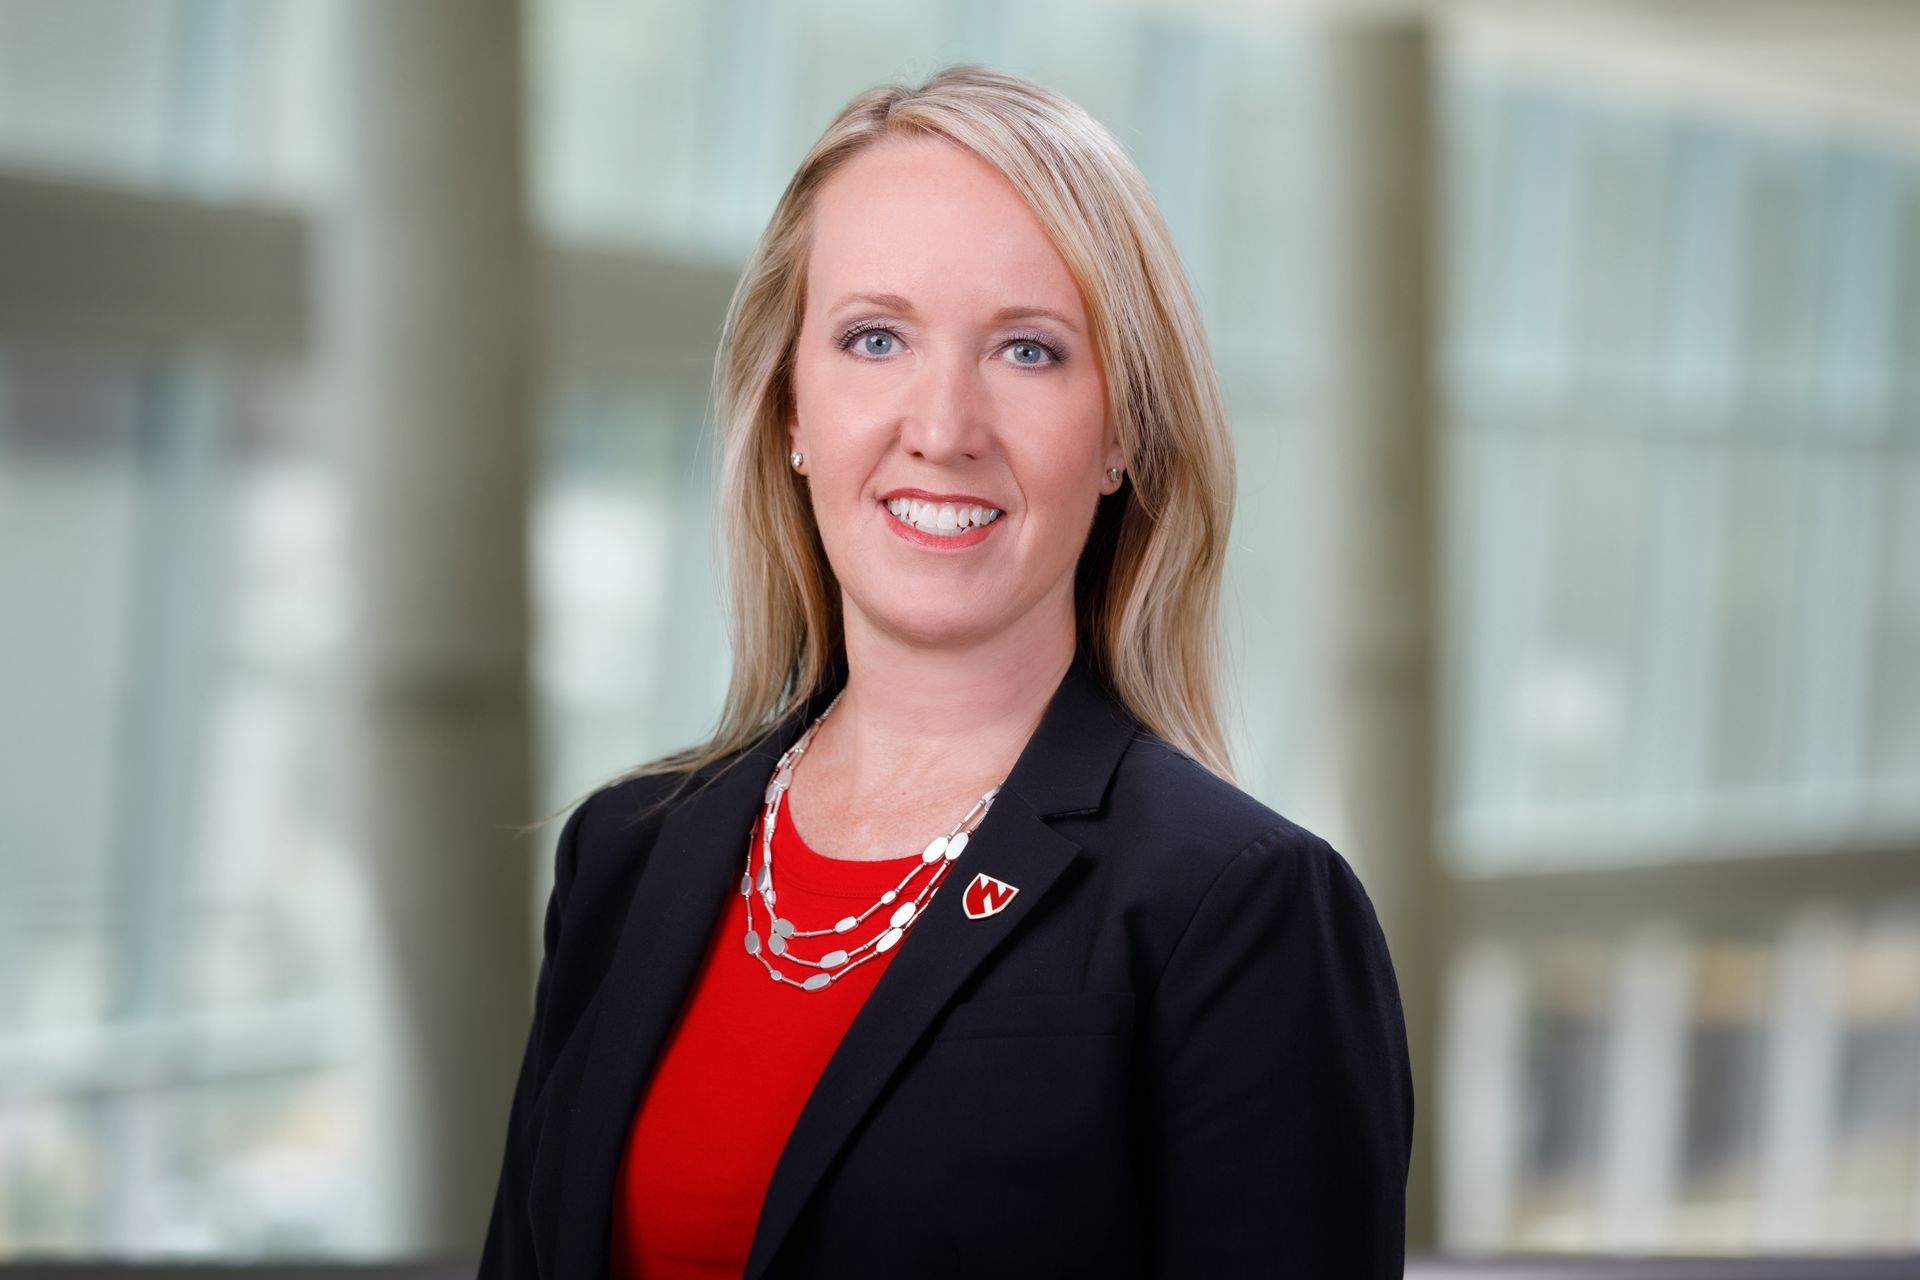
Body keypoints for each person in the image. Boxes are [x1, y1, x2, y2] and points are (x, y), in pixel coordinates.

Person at [478, 63, 1412, 1280]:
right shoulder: (626, 853)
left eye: (1028, 351)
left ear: (1122, 430)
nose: (944, 424)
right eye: (876, 338)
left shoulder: (1240, 912)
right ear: (793, 408)